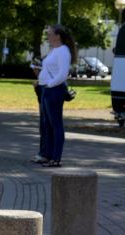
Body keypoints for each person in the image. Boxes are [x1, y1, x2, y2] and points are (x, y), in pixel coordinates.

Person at [33, 25, 75, 168]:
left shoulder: (63, 51)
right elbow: (47, 69)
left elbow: (63, 74)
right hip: (46, 89)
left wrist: (50, 84)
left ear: (58, 36)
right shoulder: (54, 50)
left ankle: (56, 158)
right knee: (47, 125)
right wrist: (41, 82)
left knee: (55, 125)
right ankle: (47, 155)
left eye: (49, 34)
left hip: (54, 90)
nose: (47, 37)